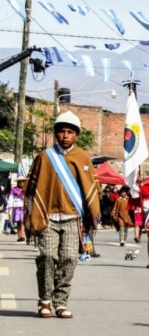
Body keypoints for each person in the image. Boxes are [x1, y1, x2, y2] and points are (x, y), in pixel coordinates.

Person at [24, 111, 101, 319]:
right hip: (47, 216)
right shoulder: (44, 157)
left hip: (72, 217)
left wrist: (92, 215)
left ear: (76, 135)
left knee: (68, 258)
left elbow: (92, 188)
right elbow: (31, 188)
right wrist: (29, 218)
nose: (65, 136)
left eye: (70, 132)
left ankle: (60, 301)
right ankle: (45, 300)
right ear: (56, 134)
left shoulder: (84, 157)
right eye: (61, 132)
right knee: (47, 257)